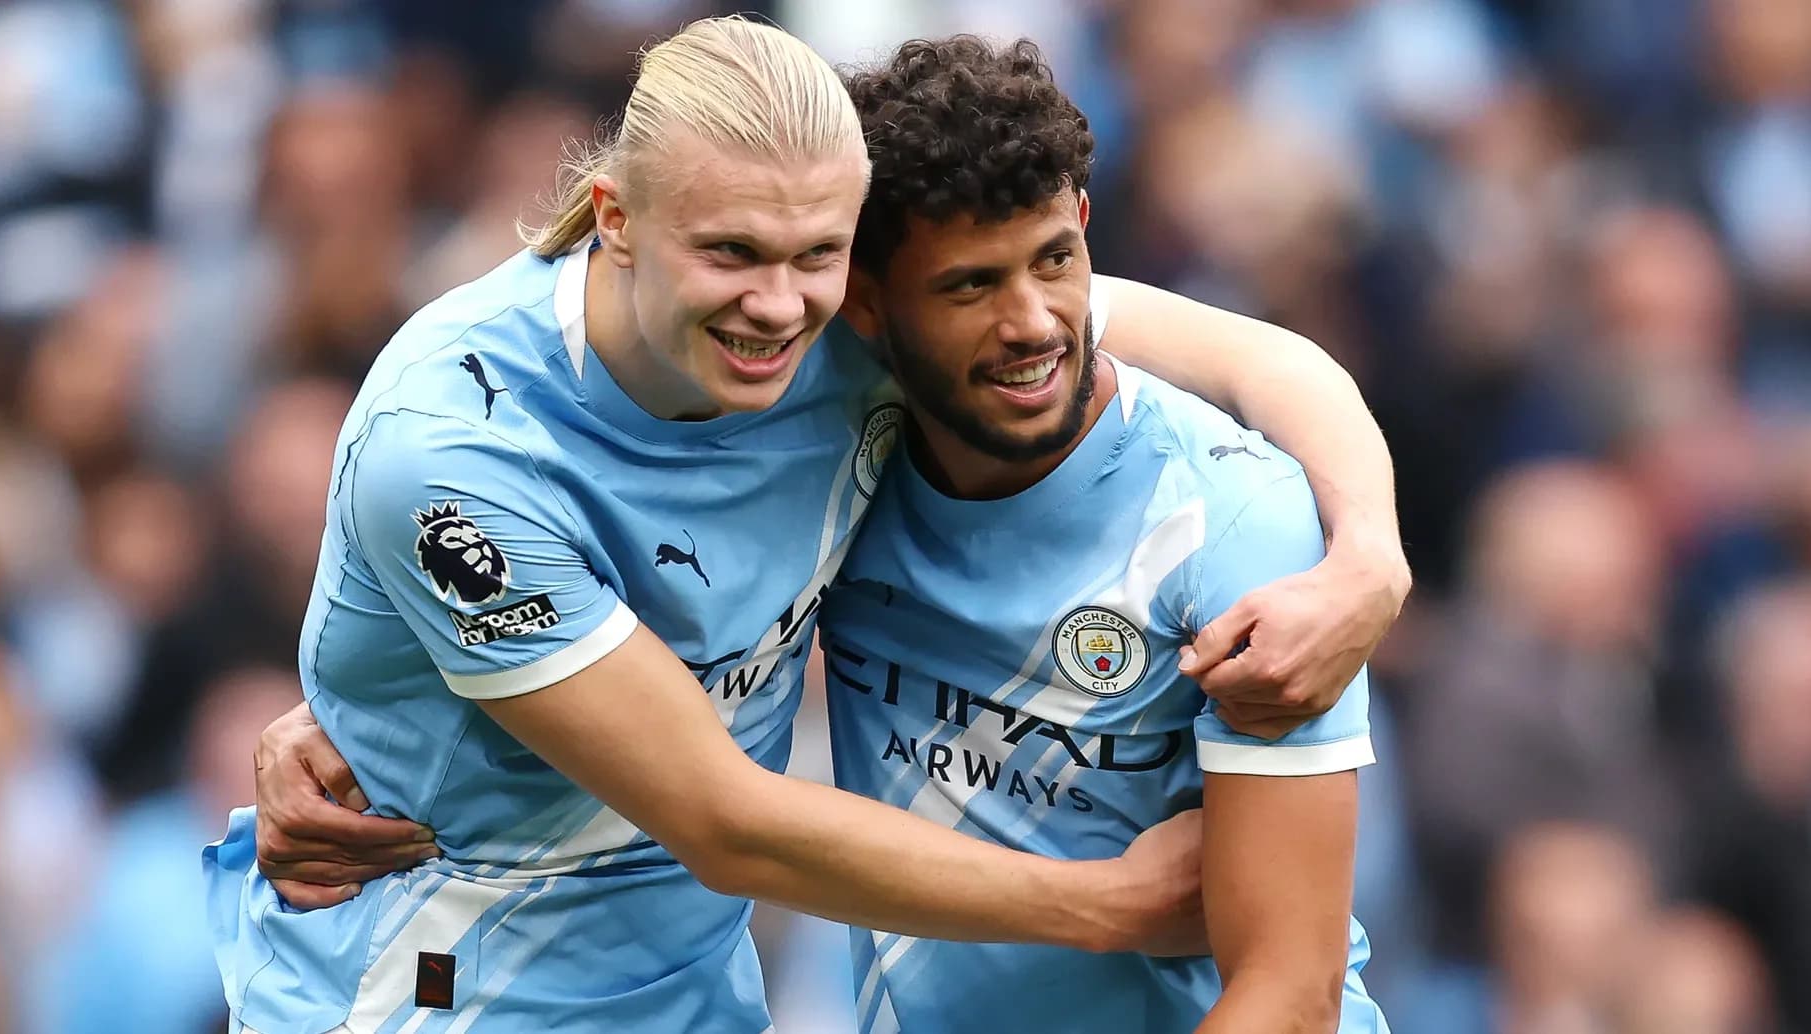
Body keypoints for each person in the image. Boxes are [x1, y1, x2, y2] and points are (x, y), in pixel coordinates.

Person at [216, 17, 1409, 1034]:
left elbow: (1251, 356)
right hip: (430, 990)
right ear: (612, 217)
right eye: (731, 252)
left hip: (692, 994)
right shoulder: (453, 450)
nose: (778, 306)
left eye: (816, 257)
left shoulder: (874, 341)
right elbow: (727, 820)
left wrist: (1366, 556)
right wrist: (1109, 898)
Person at [819, 37, 1386, 1032]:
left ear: (1083, 225)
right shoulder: (824, 449)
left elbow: (1291, 996)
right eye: (968, 286)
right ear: (865, 299)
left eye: (1054, 260)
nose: (1031, 321)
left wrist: (1373, 551)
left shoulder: (1235, 527)